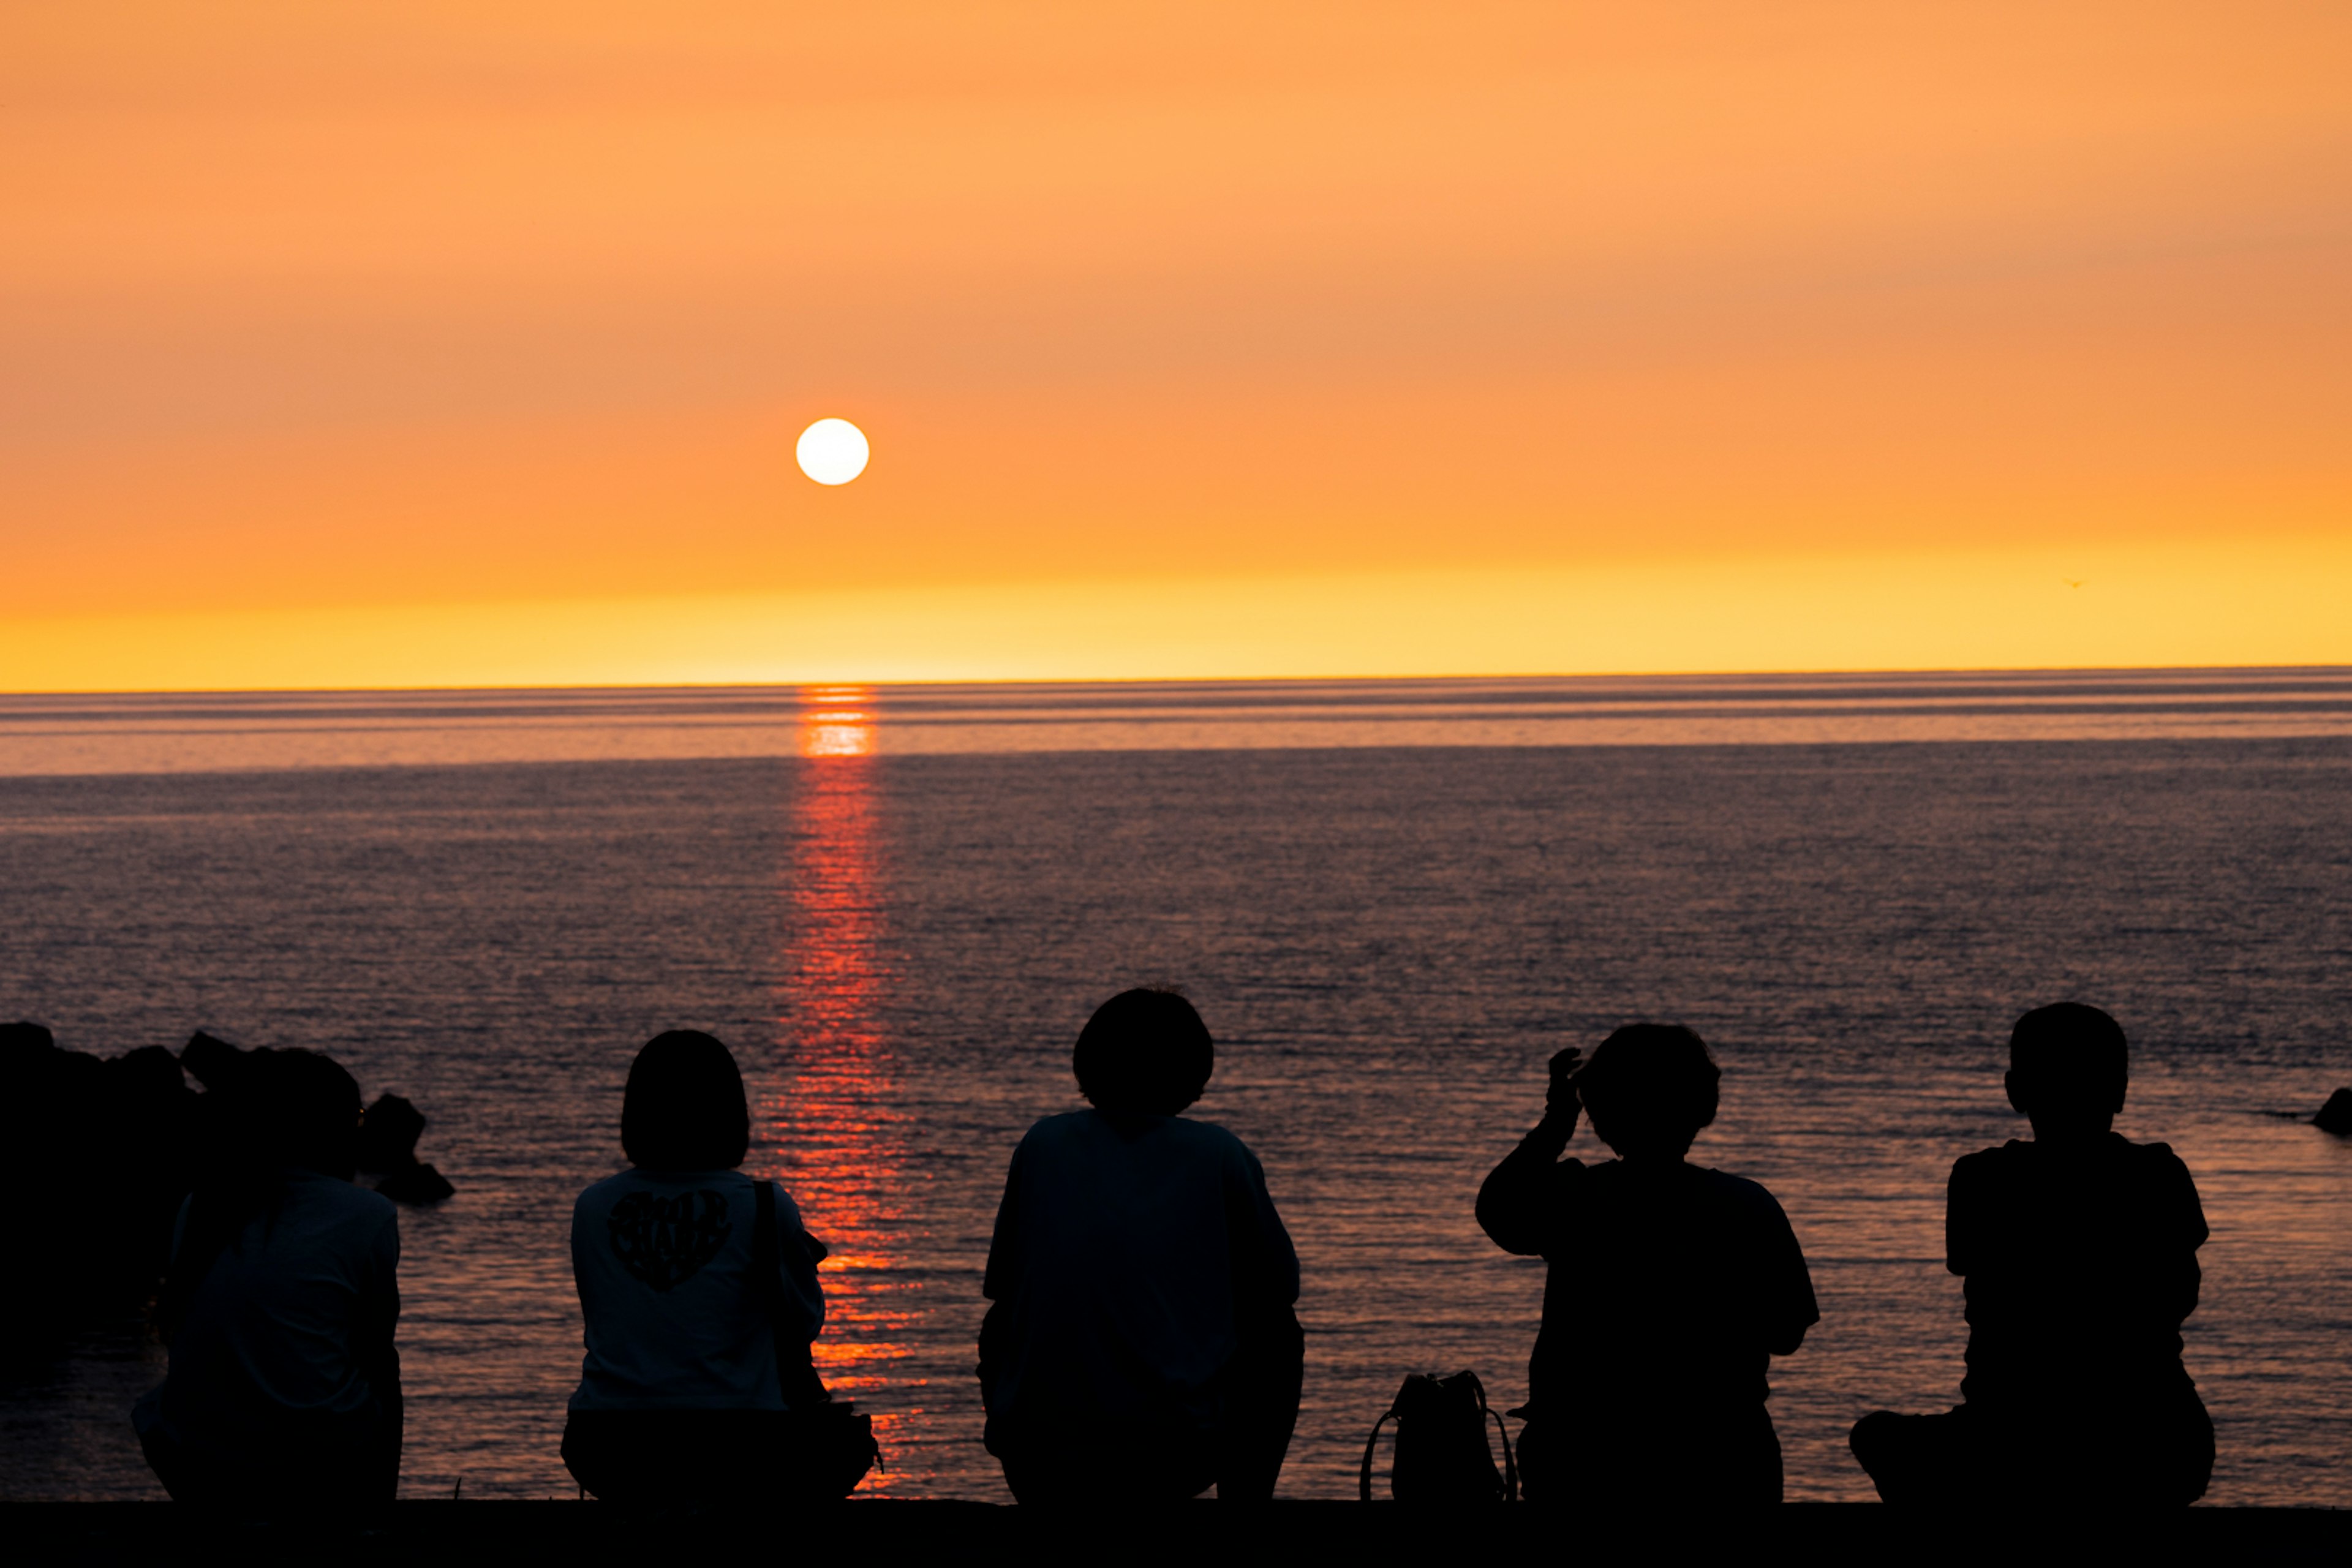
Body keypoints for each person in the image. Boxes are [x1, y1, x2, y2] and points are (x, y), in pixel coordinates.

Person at [1850, 1003, 2213, 1509]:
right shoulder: (2160, 1174)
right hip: (2163, 1445)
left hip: (2013, 1441)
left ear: (2015, 1091)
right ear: (2121, 1090)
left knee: (1876, 1436)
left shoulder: (1982, 1181)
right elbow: (2181, 1296)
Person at [979, 989, 1304, 1504]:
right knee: (1278, 1333)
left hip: (1042, 1455)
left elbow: (1003, 1287)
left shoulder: (1043, 1143)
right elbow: (1279, 1288)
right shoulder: (1220, 1153)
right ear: (1196, 1076)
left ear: (1086, 1066)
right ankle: (1247, 1509)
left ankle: (1029, 1474)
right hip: (1173, 1454)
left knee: (1002, 1318)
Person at [1477, 1023, 1817, 1509]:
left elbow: (1498, 1212)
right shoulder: (1748, 1205)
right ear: (1701, 1109)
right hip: (1722, 1454)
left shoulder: (1577, 1198)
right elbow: (1786, 1334)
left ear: (1599, 1112)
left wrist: (1556, 1122)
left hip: (1583, 1455)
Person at [561, 1030, 873, 1506]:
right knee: (846, 1445)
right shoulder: (766, 1206)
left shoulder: (594, 1205)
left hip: (606, 1442)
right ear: (733, 1115)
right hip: (740, 1441)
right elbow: (804, 1325)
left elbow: (608, 1317)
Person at [132, 1047, 402, 1514]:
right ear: (329, 1128)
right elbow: (373, 1348)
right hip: (313, 1466)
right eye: (355, 1117)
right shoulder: (367, 1213)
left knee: (154, 1408)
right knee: (382, 1373)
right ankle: (375, 1517)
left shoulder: (201, 1207)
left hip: (198, 1465)